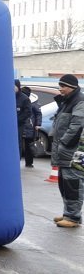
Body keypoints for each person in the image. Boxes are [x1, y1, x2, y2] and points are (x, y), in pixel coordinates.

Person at [51, 74, 84, 228]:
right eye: (60, 85)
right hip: (64, 151)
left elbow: (77, 126)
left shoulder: (79, 102)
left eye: (63, 86)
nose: (61, 89)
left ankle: (73, 217)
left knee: (73, 184)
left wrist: (64, 143)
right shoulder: (66, 102)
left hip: (73, 152)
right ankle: (68, 213)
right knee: (64, 184)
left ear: (72, 87)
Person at [15, 80, 34, 168]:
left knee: (17, 142)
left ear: (18, 87)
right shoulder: (7, 96)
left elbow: (28, 112)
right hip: (8, 126)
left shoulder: (24, 98)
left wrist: (18, 120)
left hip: (19, 124)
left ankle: (17, 160)